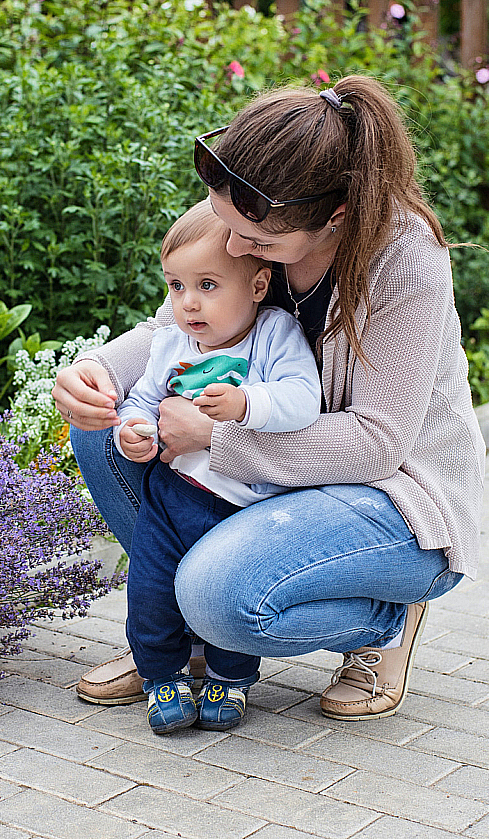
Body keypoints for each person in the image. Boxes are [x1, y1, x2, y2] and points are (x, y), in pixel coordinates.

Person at [52, 75, 485, 722]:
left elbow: (377, 442)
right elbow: (173, 329)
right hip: (280, 470)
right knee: (103, 426)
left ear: (336, 217)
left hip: (392, 495)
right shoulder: (255, 205)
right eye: (228, 225)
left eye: (255, 244)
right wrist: (96, 370)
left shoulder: (404, 258)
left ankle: (384, 622)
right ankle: (173, 637)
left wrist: (214, 438)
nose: (233, 248)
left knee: (220, 598)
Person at [116, 199, 321, 734]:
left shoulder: (273, 334)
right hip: (173, 496)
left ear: (257, 285)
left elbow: (303, 399)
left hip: (245, 504)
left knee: (226, 585)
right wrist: (133, 430)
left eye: (207, 285)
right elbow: (143, 399)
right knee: (151, 590)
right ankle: (161, 677)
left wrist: (246, 404)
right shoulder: (173, 343)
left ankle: (230, 678)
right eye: (176, 286)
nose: (188, 303)